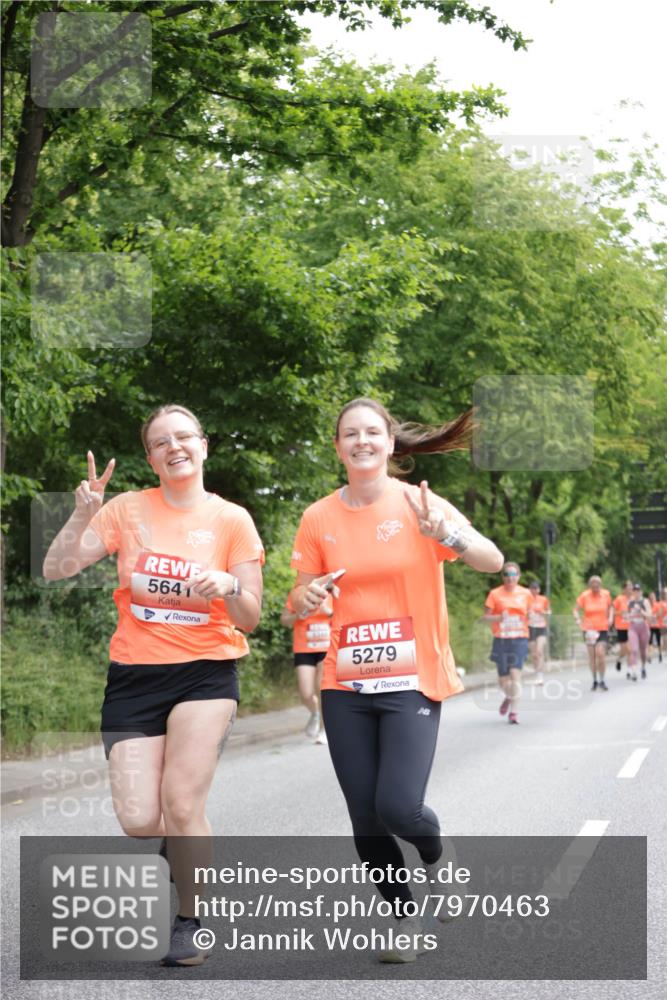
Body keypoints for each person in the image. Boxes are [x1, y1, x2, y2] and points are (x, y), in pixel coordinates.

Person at [43, 404, 264, 967]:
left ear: (204, 445)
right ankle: (192, 850)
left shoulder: (232, 519)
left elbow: (251, 617)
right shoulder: (126, 509)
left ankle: (191, 920)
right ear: (150, 457)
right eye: (161, 441)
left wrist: (227, 585)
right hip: (134, 677)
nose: (174, 447)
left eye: (184, 436)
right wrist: (80, 515)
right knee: (141, 819)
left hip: (207, 672)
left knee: (182, 802)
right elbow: (56, 568)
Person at [288, 398, 503, 963]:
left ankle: (437, 857)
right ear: (337, 447)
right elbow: (299, 598)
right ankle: (406, 921)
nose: (361, 441)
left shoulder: (418, 504)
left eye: (371, 432)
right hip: (346, 682)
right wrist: (305, 597)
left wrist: (448, 535)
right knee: (364, 815)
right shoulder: (318, 518)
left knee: (399, 807)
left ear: (389, 443)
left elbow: (493, 559)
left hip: (412, 676)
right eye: (349, 434)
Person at [280, 590, 333, 743]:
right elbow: (284, 619)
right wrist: (297, 616)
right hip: (304, 647)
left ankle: (324, 730)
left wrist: (328, 612)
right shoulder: (298, 595)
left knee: (321, 688)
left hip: (327, 647)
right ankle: (315, 712)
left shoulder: (333, 593)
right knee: (306, 693)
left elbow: (347, 616)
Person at [483, 563, 531, 722]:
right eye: (507, 575)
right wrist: (498, 618)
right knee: (504, 679)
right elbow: (485, 617)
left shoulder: (526, 593)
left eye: (513, 575)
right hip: (501, 639)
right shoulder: (495, 594)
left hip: (520, 638)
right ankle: (509, 696)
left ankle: (514, 713)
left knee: (515, 675)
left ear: (518, 576)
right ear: (502, 577)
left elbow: (532, 614)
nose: (510, 578)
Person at [573, 576, 612, 691]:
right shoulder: (585, 595)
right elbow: (575, 610)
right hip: (589, 630)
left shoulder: (606, 594)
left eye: (597, 585)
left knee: (600, 654)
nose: (595, 587)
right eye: (593, 585)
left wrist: (610, 617)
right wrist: (577, 619)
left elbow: (611, 608)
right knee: (593, 656)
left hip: (602, 628)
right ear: (590, 586)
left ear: (600, 585)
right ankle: (595, 680)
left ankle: (602, 679)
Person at [527, 579, 551, 685]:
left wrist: (544, 612)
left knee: (539, 651)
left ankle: (540, 676)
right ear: (529, 590)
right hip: (530, 627)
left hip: (541, 627)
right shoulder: (526, 599)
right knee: (534, 654)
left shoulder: (543, 599)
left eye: (536, 589)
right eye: (532, 589)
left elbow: (549, 611)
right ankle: (536, 673)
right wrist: (528, 613)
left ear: (539, 590)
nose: (534, 591)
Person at [626, 583, 652, 680]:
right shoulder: (630, 602)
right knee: (634, 650)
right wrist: (628, 617)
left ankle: (643, 667)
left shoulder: (645, 602)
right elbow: (627, 615)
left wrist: (641, 611)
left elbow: (649, 615)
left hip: (643, 627)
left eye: (638, 591)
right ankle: (634, 672)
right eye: (635, 591)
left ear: (641, 592)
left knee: (643, 652)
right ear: (632, 592)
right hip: (633, 627)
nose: (636, 593)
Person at [610, 580, 633, 673]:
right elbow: (612, 611)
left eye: (631, 588)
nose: (630, 590)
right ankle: (619, 659)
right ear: (624, 589)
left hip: (632, 627)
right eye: (628, 588)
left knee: (630, 649)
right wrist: (620, 612)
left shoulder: (634, 599)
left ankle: (629, 670)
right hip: (621, 627)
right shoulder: (619, 599)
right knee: (624, 649)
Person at [647, 590, 663, 663]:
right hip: (649, 625)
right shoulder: (647, 605)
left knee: (658, 640)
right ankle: (649, 656)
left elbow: (660, 614)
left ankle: (660, 654)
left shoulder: (658, 604)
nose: (652, 598)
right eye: (650, 597)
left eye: (653, 596)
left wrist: (655, 616)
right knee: (649, 641)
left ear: (655, 597)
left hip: (657, 625)